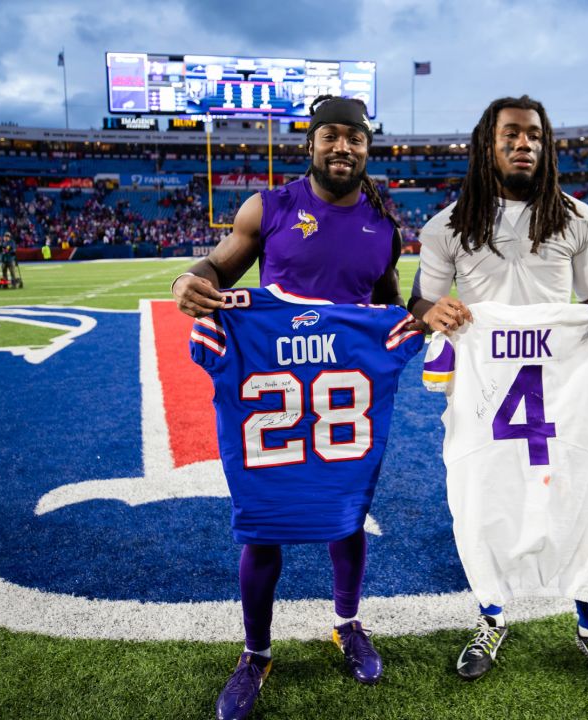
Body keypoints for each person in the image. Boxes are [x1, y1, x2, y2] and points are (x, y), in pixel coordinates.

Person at [171, 96, 406, 720]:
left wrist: (406, 326)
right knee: (264, 523)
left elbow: (385, 304)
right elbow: (215, 268)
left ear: (367, 147)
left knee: (347, 516)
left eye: (355, 139)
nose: (343, 148)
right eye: (331, 136)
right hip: (272, 392)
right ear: (312, 142)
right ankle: (255, 653)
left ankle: (347, 624)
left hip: (340, 396)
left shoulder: (384, 225)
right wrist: (184, 283)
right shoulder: (269, 207)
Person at [409, 95, 588, 701]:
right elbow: (419, 304)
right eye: (511, 134)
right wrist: (437, 311)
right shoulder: (447, 226)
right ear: (489, 143)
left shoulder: (577, 219)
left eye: (534, 135)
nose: (524, 144)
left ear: (547, 144)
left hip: (560, 394)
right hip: (487, 395)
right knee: (487, 505)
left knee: (579, 506)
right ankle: (491, 619)